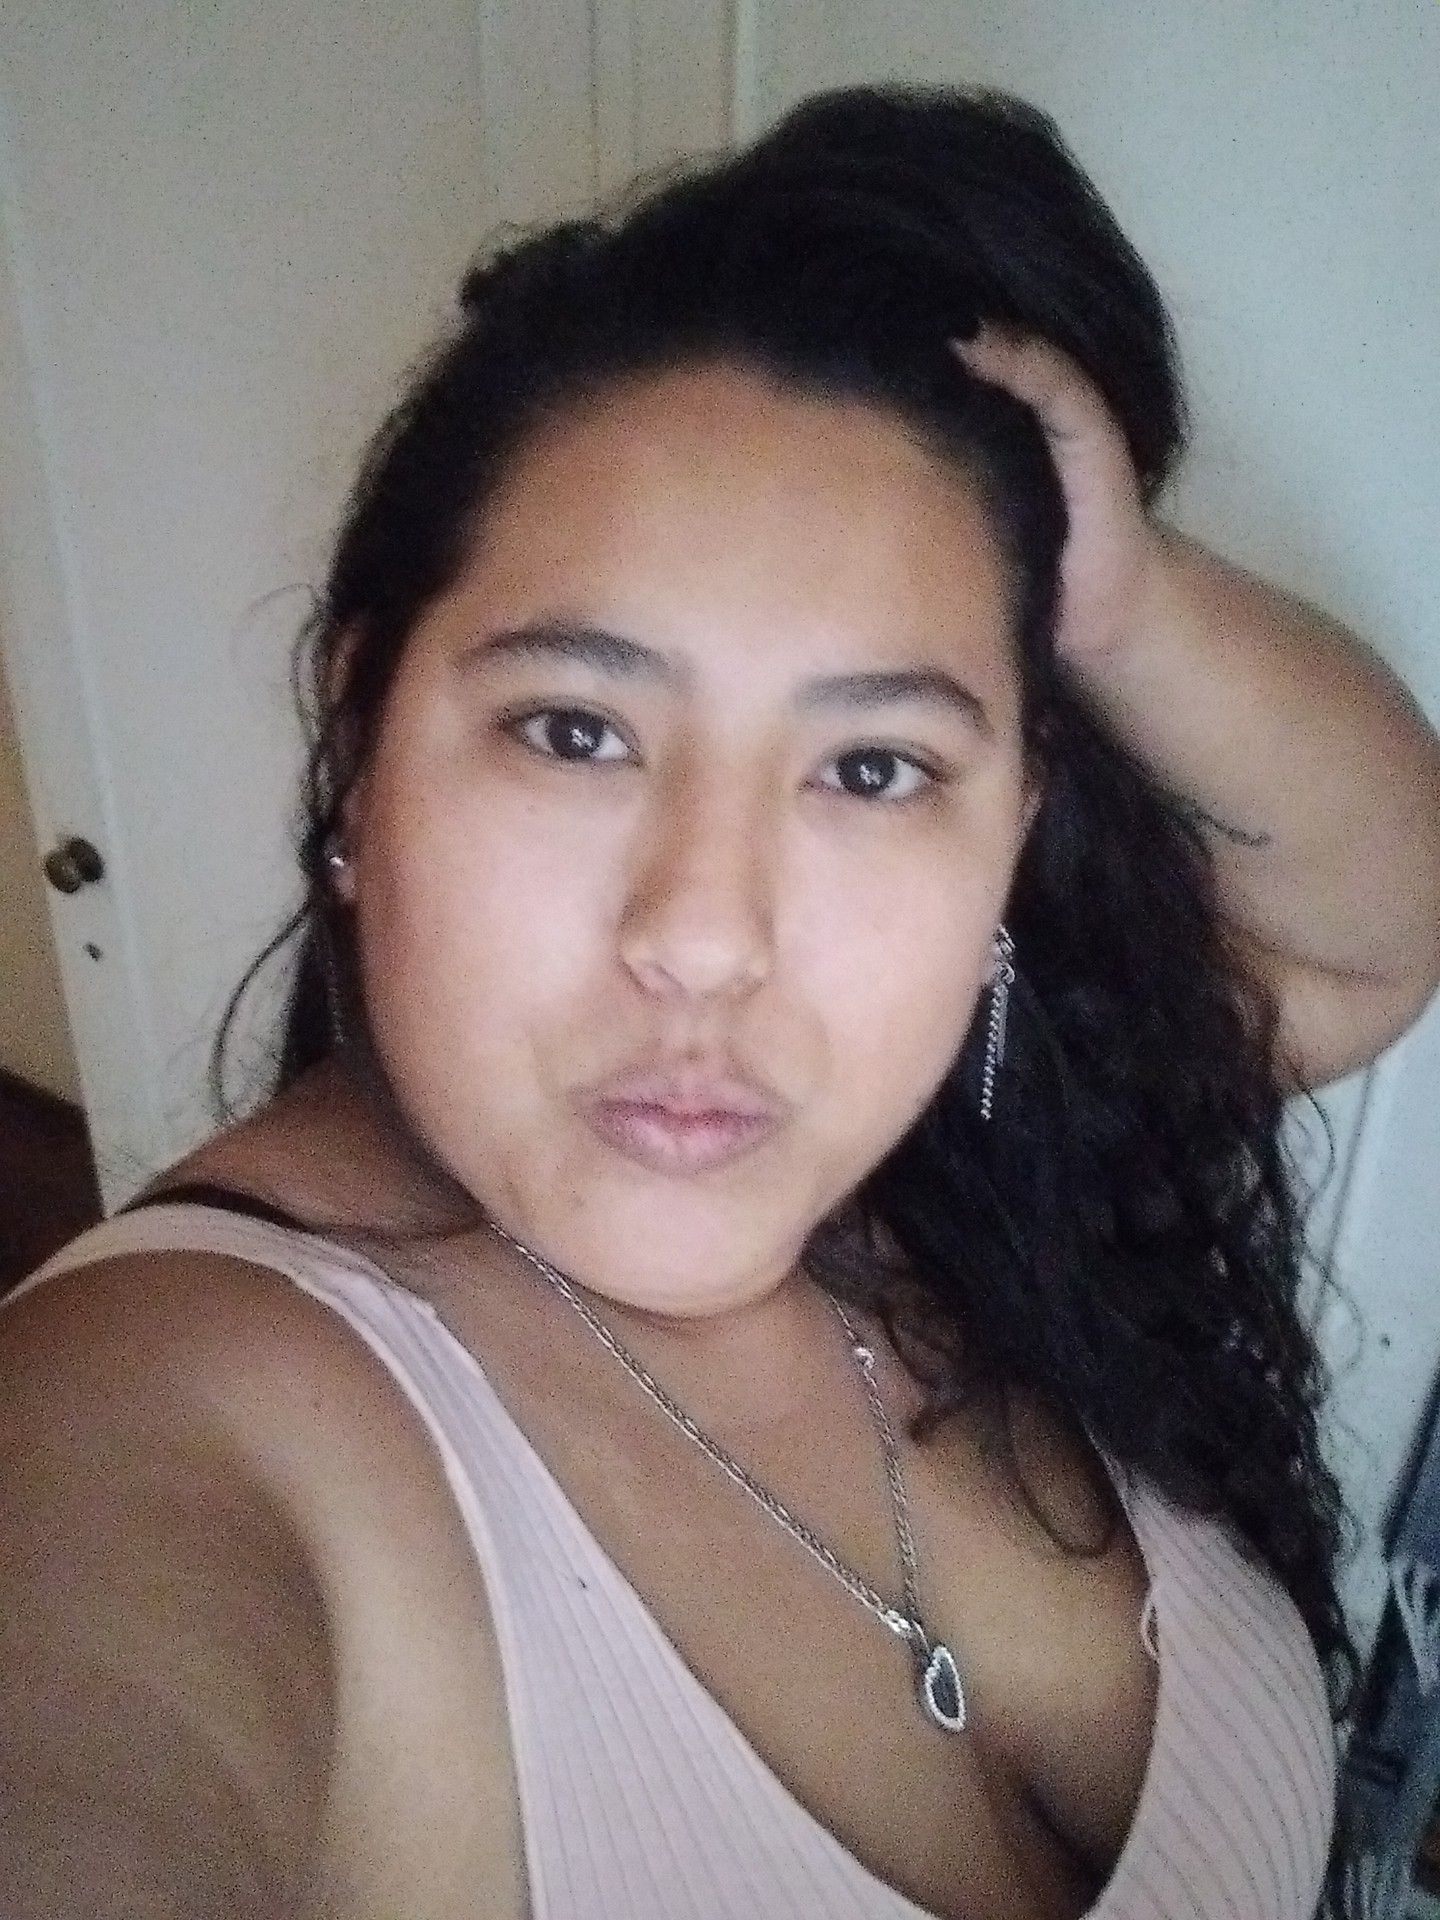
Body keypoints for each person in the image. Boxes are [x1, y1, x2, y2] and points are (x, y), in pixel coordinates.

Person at [3, 83, 1439, 1920]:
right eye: (576, 731)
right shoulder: (179, 1422)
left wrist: (1122, 599)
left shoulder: (976, 1155)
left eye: (873, 767)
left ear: (1014, 819)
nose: (704, 938)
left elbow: (1374, 926)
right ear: (360, 745)